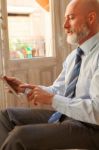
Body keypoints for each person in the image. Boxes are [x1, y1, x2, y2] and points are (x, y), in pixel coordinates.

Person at [0, 0, 99, 149]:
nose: (65, 25)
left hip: (91, 128)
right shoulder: (74, 56)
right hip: (67, 117)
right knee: (5, 116)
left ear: (91, 18)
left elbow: (97, 111)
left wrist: (52, 100)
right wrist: (26, 89)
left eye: (71, 18)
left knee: (20, 137)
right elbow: (58, 89)